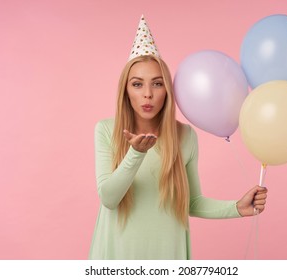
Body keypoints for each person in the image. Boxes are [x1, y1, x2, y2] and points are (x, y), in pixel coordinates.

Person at [89, 15, 267, 260]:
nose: (148, 94)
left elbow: (191, 202)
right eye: (138, 84)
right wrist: (136, 154)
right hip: (117, 256)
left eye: (157, 84)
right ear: (126, 91)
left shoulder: (185, 136)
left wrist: (236, 207)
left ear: (167, 91)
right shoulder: (107, 130)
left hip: (168, 255)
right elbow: (109, 198)